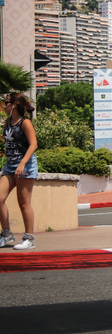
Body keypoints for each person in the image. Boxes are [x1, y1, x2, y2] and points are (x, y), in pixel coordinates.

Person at [0, 93, 38, 250]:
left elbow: (34, 144)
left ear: (14, 105)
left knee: (23, 203)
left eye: (6, 103)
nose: (4, 105)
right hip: (10, 166)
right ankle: (6, 234)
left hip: (26, 166)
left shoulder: (25, 122)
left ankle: (29, 238)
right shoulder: (7, 122)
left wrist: (22, 163)